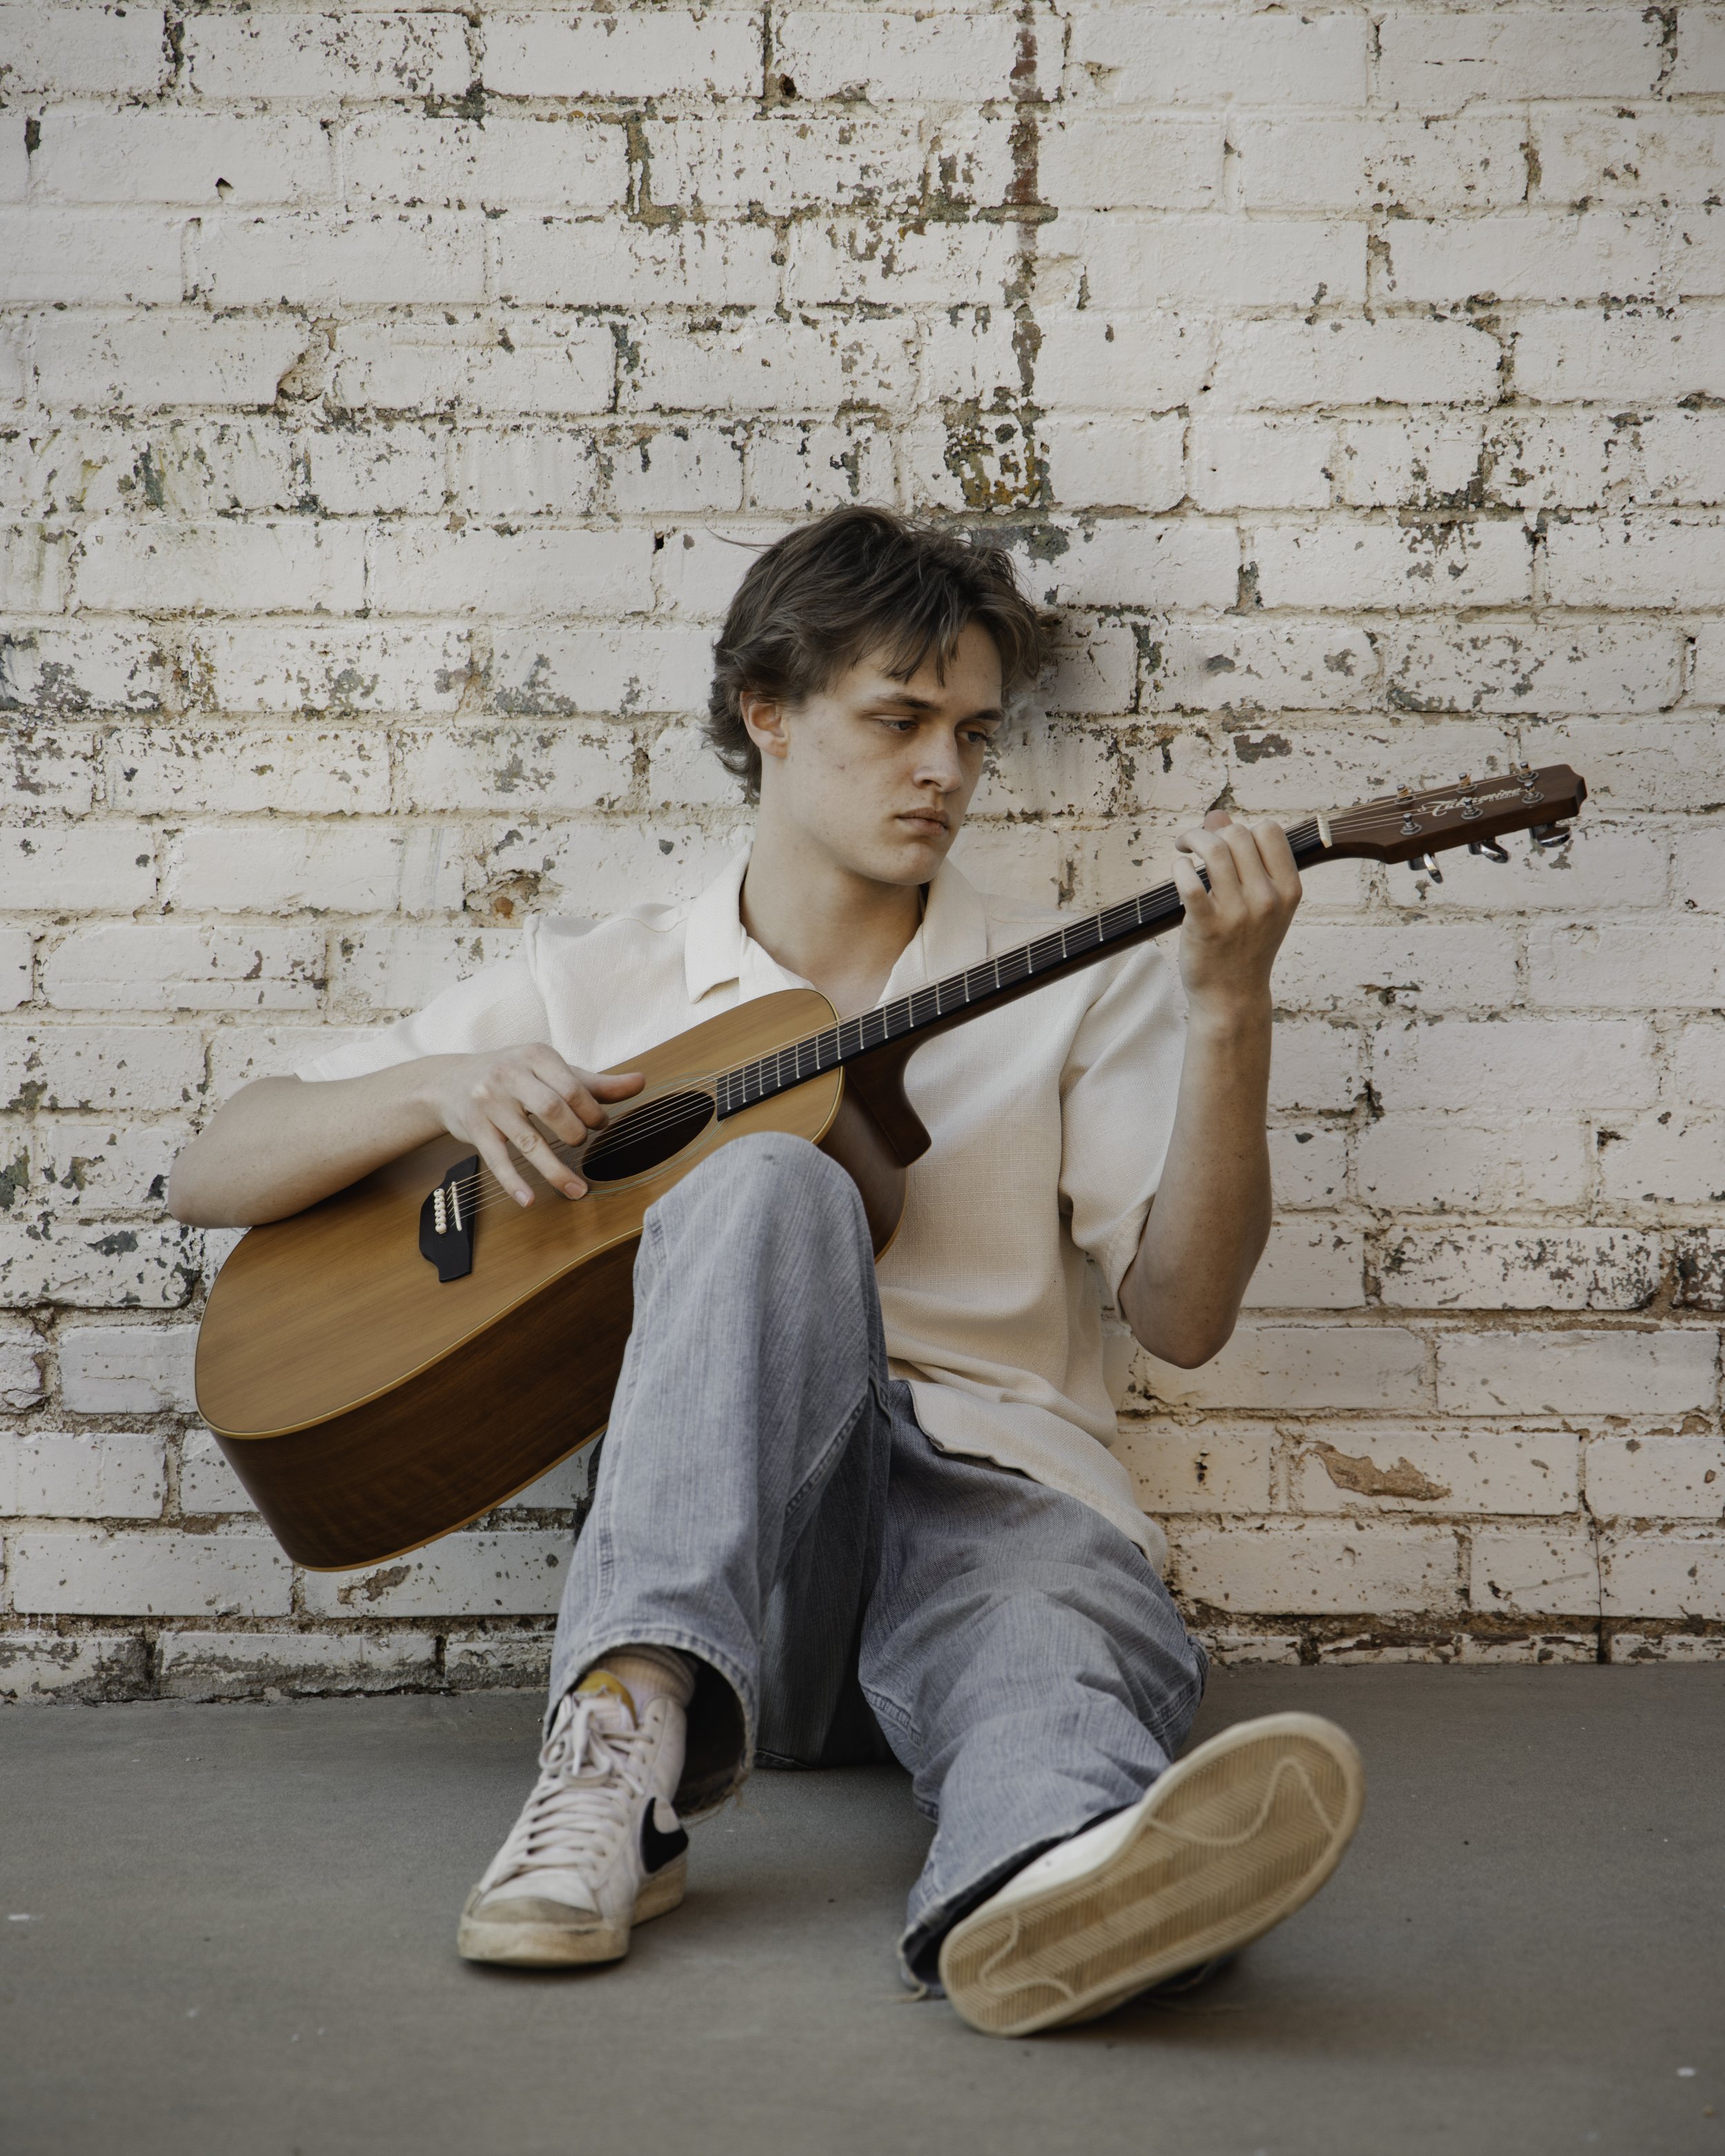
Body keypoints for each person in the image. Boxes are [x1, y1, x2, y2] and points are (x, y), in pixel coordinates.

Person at [170, 506, 1363, 2037]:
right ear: (767, 713)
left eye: (974, 735)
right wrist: (433, 1094)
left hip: (995, 1515)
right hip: (736, 1582)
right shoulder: (608, 986)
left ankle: (1054, 1884)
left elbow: (1185, 1321)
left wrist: (1227, 1013)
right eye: (896, 720)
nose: (942, 769)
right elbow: (215, 1164)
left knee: (1050, 1669)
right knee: (774, 1183)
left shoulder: (1077, 975)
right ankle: (616, 1754)